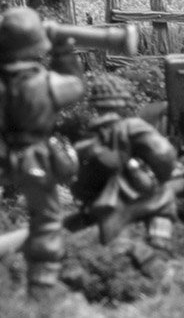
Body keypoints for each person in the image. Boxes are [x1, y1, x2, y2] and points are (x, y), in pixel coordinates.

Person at [0, 7, 83, 299]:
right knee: (46, 218)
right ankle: (42, 280)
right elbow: (76, 85)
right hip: (33, 161)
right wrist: (63, 51)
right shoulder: (48, 84)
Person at [70, 73, 177, 254]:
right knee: (165, 196)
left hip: (102, 203)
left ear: (93, 104)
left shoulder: (88, 137)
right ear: (125, 101)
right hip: (137, 194)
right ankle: (158, 240)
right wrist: (163, 176)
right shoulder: (131, 126)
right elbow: (163, 154)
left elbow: (78, 178)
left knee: (117, 248)